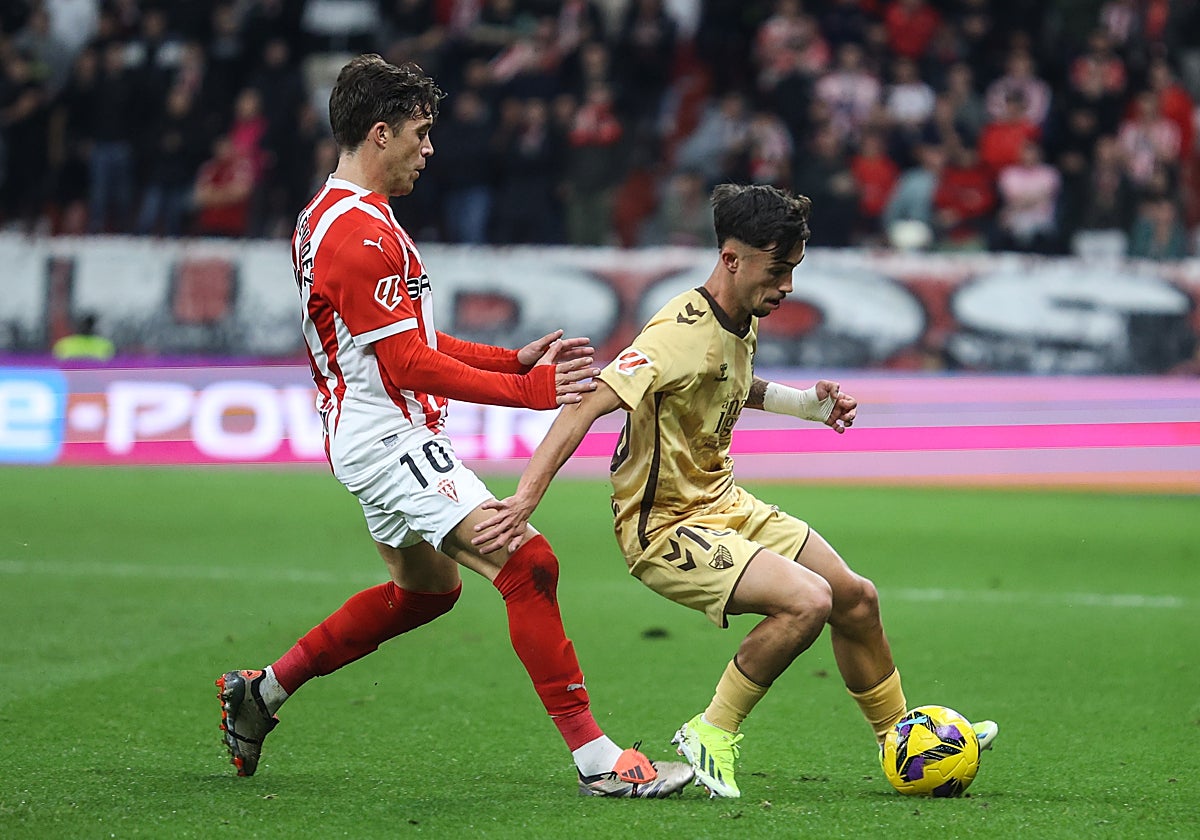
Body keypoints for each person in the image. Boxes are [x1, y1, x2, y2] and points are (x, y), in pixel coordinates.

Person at [215, 54, 693, 799]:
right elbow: (406, 363)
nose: (430, 148)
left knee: (427, 592)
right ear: (380, 134)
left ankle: (265, 690)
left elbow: (409, 340)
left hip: (370, 434)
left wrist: (510, 360)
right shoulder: (360, 234)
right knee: (527, 564)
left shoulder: (335, 216)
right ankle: (598, 761)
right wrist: (530, 393)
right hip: (388, 439)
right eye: (420, 132)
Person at [472, 183, 999, 799]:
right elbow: (588, 403)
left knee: (856, 597)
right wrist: (527, 497)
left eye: (793, 270)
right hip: (665, 527)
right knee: (808, 602)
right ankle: (711, 731)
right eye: (778, 270)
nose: (789, 287)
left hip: (724, 504)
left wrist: (805, 406)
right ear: (732, 259)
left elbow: (726, 381)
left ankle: (901, 738)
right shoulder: (675, 332)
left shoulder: (739, 317)